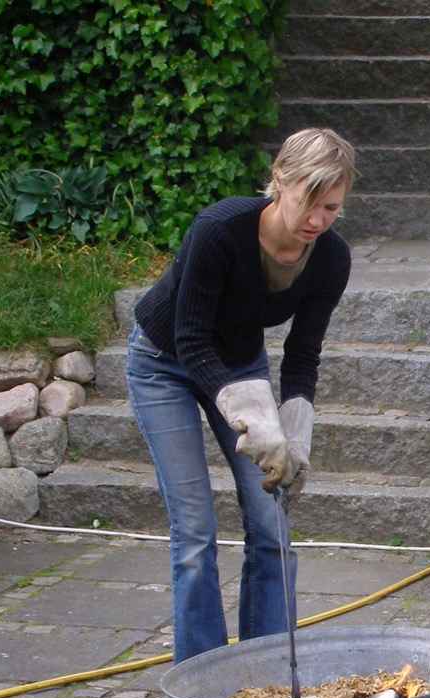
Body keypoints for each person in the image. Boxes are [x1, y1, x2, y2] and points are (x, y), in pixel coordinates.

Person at [126, 128, 356, 663]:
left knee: (270, 519)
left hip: (239, 364)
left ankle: (268, 664)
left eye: (332, 208)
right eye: (308, 201)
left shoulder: (330, 258)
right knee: (195, 532)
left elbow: (303, 353)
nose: (317, 221)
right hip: (164, 363)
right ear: (279, 181)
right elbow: (189, 338)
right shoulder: (219, 229)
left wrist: (294, 429)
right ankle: (200, 674)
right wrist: (250, 414)